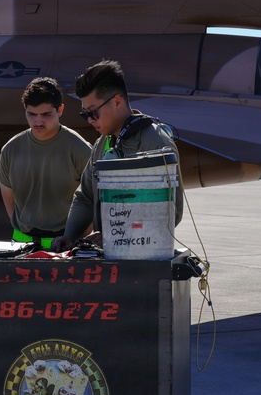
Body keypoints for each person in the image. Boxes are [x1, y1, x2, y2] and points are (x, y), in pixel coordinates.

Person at [52, 60, 183, 252]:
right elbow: (85, 197)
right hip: (109, 256)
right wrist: (69, 236)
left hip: (143, 257)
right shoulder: (102, 144)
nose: (90, 120)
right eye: (85, 114)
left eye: (93, 112)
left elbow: (171, 213)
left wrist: (116, 235)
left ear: (117, 102)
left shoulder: (156, 144)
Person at [0, 77, 91, 248]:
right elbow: (9, 199)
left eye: (46, 114)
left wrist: (75, 241)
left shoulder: (80, 149)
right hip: (21, 245)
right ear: (25, 109)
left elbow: (92, 201)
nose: (38, 121)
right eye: (32, 114)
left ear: (60, 110)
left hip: (64, 246)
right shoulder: (11, 149)